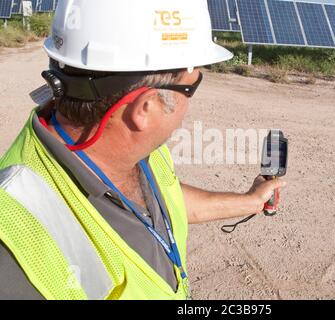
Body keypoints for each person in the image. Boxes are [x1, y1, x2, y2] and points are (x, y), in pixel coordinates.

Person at [0, 0, 285, 300]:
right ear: (145, 108)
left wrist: (250, 202)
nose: (192, 100)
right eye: (193, 86)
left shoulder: (136, 148)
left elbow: (163, 201)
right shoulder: (15, 255)